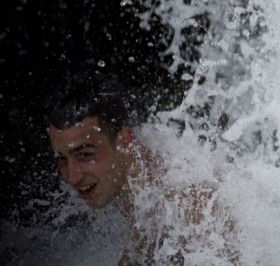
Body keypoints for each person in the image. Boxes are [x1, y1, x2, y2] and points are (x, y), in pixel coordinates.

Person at [47, 73, 239, 264]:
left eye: (86, 155)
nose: (72, 176)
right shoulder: (137, 184)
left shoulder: (187, 205)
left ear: (124, 141)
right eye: (62, 158)